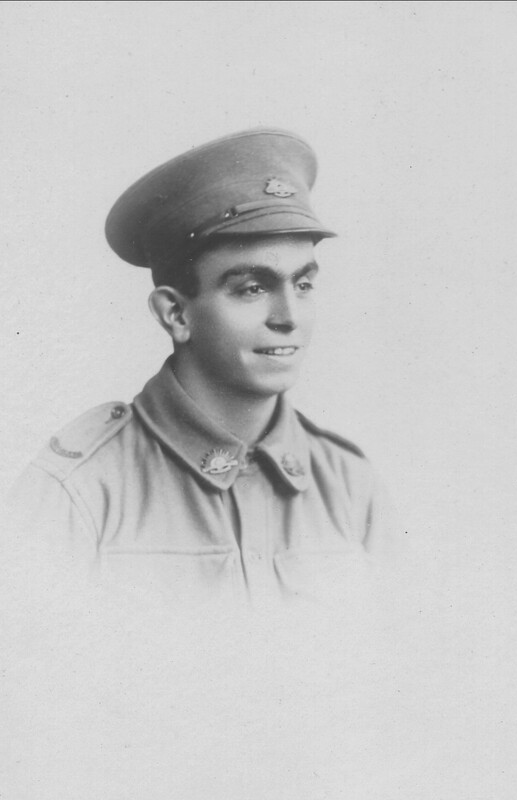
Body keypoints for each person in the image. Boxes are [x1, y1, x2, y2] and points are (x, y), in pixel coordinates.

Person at [8, 128, 397, 605]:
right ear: (176, 314)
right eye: (253, 288)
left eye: (303, 284)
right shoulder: (81, 489)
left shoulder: (349, 483)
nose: (289, 317)